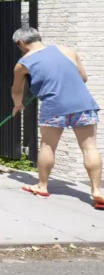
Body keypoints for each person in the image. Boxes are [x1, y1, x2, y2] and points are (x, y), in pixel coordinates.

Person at [11, 24, 103, 208]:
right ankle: (97, 191)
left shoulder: (23, 63)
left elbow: (17, 90)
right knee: (89, 148)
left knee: (47, 146)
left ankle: (42, 186)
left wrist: (18, 105)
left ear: (21, 43)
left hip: (54, 107)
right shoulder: (68, 51)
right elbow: (83, 77)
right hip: (83, 104)